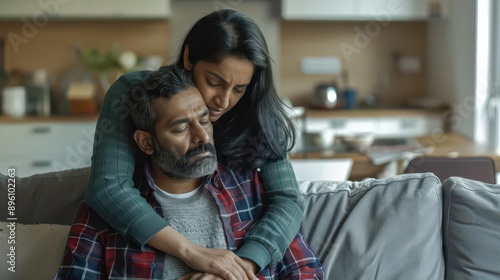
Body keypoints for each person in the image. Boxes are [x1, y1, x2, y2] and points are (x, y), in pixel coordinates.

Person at [84, 9, 304, 279]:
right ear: (189, 58)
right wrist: (192, 252)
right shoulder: (135, 94)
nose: (223, 101)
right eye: (214, 82)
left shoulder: (255, 110)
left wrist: (239, 267)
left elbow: (287, 200)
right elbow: (108, 187)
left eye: (238, 89)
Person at [56, 65, 324, 280]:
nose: (201, 136)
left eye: (205, 120)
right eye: (181, 127)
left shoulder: (251, 191)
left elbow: (307, 271)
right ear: (146, 142)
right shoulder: (107, 211)